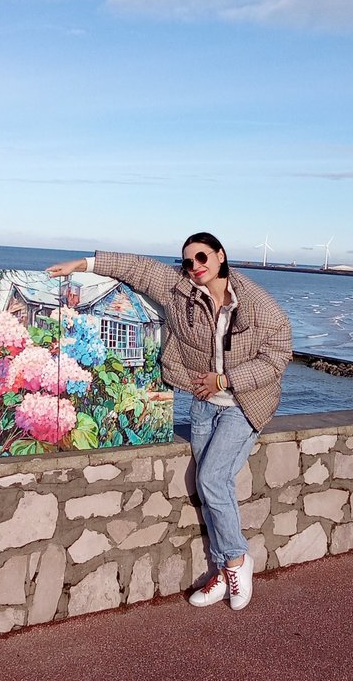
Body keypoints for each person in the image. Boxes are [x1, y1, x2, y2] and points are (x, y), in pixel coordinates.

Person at [47, 232, 292, 611]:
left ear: (220, 256)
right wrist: (81, 266)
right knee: (207, 484)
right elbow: (137, 268)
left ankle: (237, 562)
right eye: (188, 261)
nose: (195, 267)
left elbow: (278, 357)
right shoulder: (180, 289)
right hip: (203, 402)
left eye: (202, 258)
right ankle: (221, 572)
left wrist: (226, 380)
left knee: (212, 478)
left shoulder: (260, 304)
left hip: (244, 404)